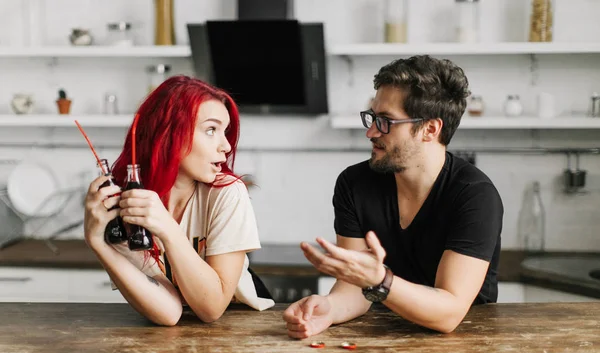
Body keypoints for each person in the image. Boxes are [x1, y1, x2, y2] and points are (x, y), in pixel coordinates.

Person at [284, 55, 503, 336]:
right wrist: (329, 309)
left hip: (465, 347)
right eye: (373, 117)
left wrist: (380, 281)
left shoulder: (475, 196)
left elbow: (449, 313)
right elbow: (355, 285)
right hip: (384, 339)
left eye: (386, 121)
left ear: (430, 129)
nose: (371, 131)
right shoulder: (354, 183)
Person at [84, 76, 274, 326]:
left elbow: (212, 308)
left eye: (224, 132)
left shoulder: (227, 193)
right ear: (168, 134)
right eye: (211, 130)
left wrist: (167, 228)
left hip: (239, 326)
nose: (226, 146)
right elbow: (170, 313)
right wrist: (97, 242)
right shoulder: (127, 204)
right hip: (171, 338)